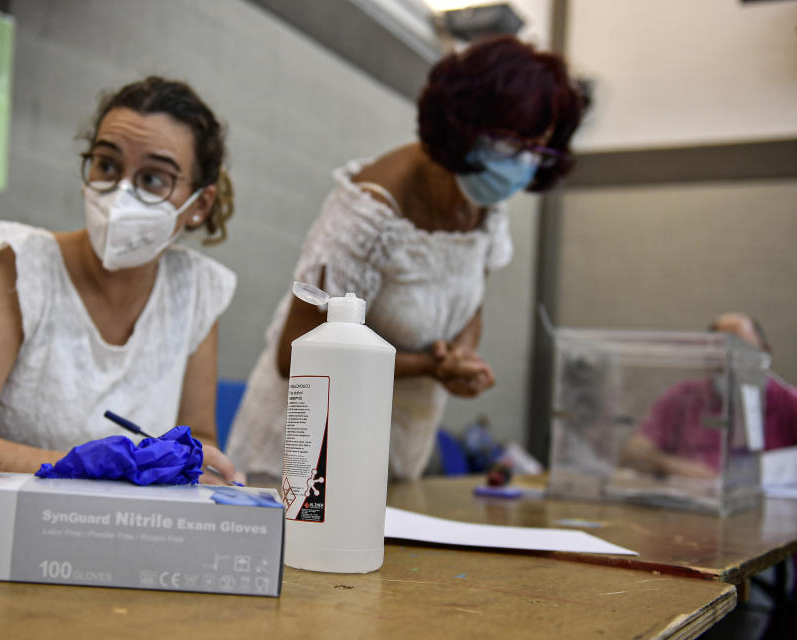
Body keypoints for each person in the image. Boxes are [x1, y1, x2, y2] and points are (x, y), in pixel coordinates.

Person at [226, 36, 584, 480]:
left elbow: (470, 304)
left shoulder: (486, 205)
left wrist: (462, 356)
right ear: (465, 123)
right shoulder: (371, 211)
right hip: (305, 454)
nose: (522, 163)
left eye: (536, 149)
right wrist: (432, 367)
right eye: (511, 145)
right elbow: (294, 354)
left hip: (396, 450)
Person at [0, 76, 244, 498]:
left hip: (88, 539)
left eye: (154, 179)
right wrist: (86, 468)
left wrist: (196, 469)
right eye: (108, 166)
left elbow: (196, 438)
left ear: (199, 205)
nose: (121, 194)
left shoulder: (195, 290)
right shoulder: (6, 265)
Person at [621, 312, 797, 479]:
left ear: (765, 353)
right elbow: (634, 451)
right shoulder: (683, 397)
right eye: (723, 352)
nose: (732, 362)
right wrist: (671, 466)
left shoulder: (787, 401)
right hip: (693, 503)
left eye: (744, 351)